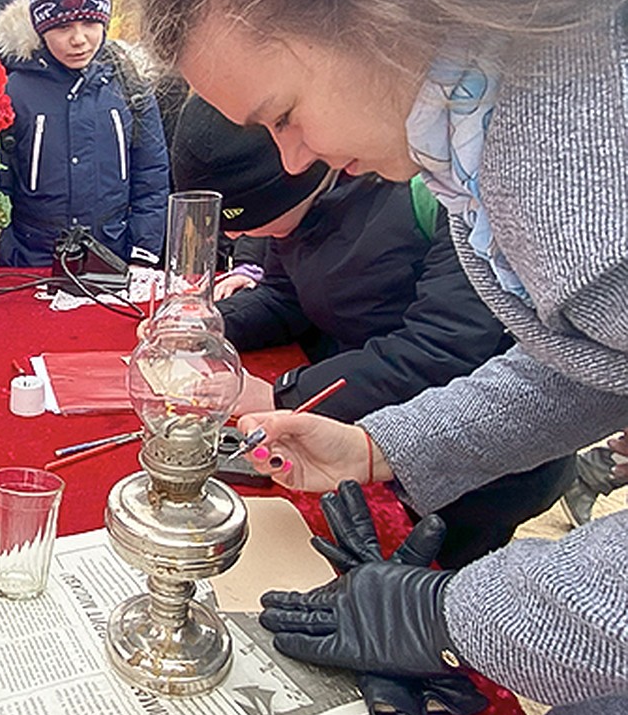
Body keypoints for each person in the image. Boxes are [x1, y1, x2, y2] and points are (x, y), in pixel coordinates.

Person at [133, 0, 628, 715]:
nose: (293, 162)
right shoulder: (497, 103)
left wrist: (461, 615)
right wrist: (380, 449)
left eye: (282, 115)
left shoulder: (588, 136)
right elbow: (586, 358)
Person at [172, 94, 573, 567]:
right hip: (362, 433)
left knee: (429, 580)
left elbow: (444, 346)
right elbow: (285, 297)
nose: (234, 239)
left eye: (239, 223)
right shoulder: (292, 217)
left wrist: (282, 394)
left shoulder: (440, 195)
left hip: (477, 459)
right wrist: (211, 324)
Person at [0, 0, 168, 269]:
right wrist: (10, 256)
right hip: (32, 267)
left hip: (113, 265)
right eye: (62, 26)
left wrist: (142, 254)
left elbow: (151, 178)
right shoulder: (14, 92)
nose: (78, 39)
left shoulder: (130, 86)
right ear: (41, 27)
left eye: (90, 22)